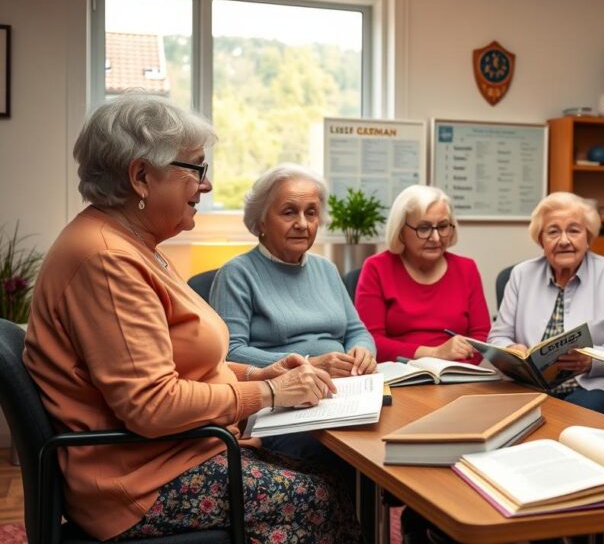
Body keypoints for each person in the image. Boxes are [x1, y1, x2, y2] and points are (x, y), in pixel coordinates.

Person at [22, 93, 361, 543]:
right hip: (137, 483)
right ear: (141, 176)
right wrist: (267, 392)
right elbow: (152, 404)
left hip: (169, 454)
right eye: (196, 169)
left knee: (336, 480)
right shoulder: (107, 260)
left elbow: (175, 364)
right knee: (323, 498)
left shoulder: (133, 247)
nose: (206, 186)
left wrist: (257, 372)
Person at [210, 163, 377, 377]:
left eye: (311, 213)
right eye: (289, 212)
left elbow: (357, 331)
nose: (302, 224)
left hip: (344, 385)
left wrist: (362, 351)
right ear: (261, 222)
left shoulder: (327, 269)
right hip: (283, 391)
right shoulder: (236, 274)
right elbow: (230, 352)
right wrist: (308, 364)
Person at [488, 192, 604, 414]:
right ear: (541, 240)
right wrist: (512, 349)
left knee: (564, 416)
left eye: (573, 230)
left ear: (588, 238)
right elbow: (497, 337)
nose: (564, 241)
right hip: (530, 385)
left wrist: (591, 361)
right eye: (553, 232)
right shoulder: (521, 274)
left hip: (594, 386)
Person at [355, 184, 490, 364]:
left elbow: (481, 337)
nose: (435, 238)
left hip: (457, 375)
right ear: (401, 230)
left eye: (443, 226)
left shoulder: (466, 268)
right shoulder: (377, 268)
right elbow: (369, 341)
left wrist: (454, 369)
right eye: (424, 228)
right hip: (400, 374)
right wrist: (434, 353)